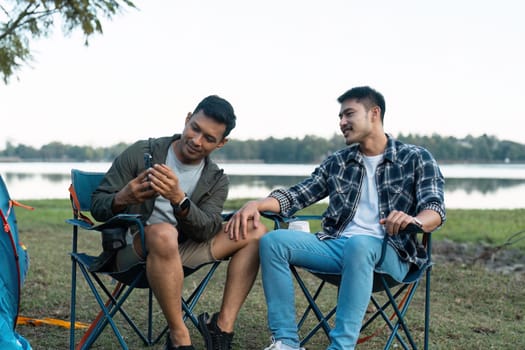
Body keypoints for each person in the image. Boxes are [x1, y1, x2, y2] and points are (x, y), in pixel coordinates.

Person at [226, 86, 446, 350]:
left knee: (360, 244)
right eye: (340, 117)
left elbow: (434, 209)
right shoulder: (338, 162)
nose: (342, 123)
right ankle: (285, 342)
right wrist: (257, 204)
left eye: (349, 114)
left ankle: (341, 347)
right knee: (273, 242)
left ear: (374, 113)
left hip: (393, 254)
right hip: (337, 247)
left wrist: (414, 221)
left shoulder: (416, 157)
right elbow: (299, 195)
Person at [90, 95, 267, 350]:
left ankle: (221, 328)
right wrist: (122, 197)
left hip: (181, 254)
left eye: (209, 138)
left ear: (221, 143)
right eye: (195, 128)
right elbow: (98, 205)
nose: (196, 140)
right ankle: (179, 336)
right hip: (132, 253)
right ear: (187, 119)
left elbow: (206, 229)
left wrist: (179, 199)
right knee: (163, 233)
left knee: (256, 231)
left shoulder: (216, 179)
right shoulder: (143, 153)